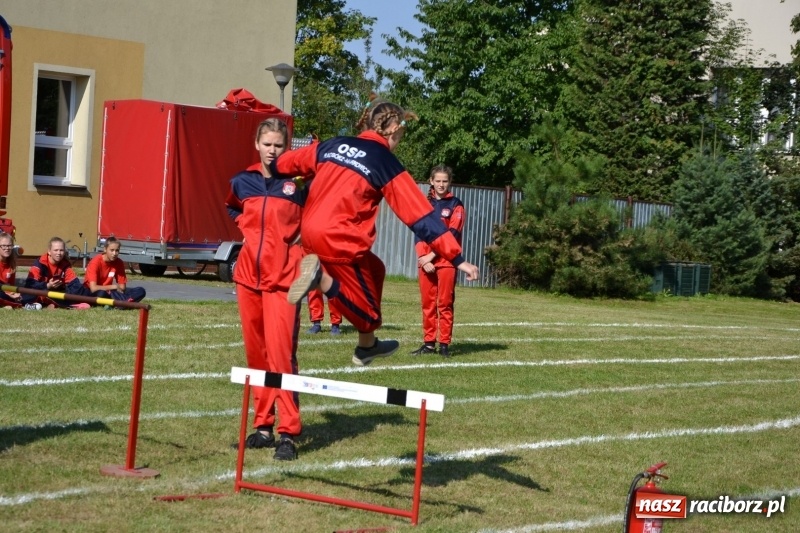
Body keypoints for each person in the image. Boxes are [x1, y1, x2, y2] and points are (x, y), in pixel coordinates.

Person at [270, 92, 480, 366]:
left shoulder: (333, 145)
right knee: (370, 317)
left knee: (376, 269)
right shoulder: (384, 161)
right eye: (401, 135)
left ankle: (365, 348)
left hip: (310, 233)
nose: (399, 142)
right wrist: (457, 258)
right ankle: (320, 282)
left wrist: (271, 166)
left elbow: (286, 164)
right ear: (394, 129)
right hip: (339, 238)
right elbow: (419, 215)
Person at [224, 118, 306, 461]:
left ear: (287, 148)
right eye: (268, 144)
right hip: (247, 279)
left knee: (281, 355)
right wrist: (247, 227)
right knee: (257, 357)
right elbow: (232, 207)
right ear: (257, 144)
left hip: (284, 280)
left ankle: (288, 432)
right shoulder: (243, 181)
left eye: (279, 145)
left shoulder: (298, 184)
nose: (273, 151)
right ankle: (263, 426)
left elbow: (313, 221)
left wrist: (298, 247)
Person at [411, 165, 465, 358]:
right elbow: (418, 233)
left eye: (445, 181)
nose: (441, 184)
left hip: (447, 261)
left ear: (449, 183)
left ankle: (444, 345)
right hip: (425, 261)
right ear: (431, 181)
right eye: (438, 181)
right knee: (427, 304)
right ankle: (428, 344)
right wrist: (422, 257)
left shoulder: (456, 204)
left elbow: (452, 235)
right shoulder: (423, 204)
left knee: (445, 303)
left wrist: (431, 256)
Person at [24, 237, 91, 309]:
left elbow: (75, 284)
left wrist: (65, 287)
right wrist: (48, 285)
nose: (59, 253)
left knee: (82, 291)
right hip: (41, 293)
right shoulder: (40, 263)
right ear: (49, 251)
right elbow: (30, 284)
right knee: (29, 294)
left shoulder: (65, 265)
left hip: (57, 293)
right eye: (56, 250)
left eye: (61, 250)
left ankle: (59, 303)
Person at [83, 237, 146, 305]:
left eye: (117, 250)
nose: (114, 253)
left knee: (140, 290)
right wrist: (114, 287)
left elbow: (122, 287)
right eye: (112, 250)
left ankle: (121, 303)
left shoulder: (119, 262)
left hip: (111, 292)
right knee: (102, 293)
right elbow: (93, 288)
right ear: (105, 249)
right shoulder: (95, 262)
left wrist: (115, 289)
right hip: (96, 292)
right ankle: (124, 302)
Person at [0, 232, 42, 310]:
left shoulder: (11, 263)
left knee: (33, 293)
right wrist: (9, 294)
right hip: (2, 292)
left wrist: (14, 293)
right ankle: (22, 305)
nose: (7, 248)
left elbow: (11, 285)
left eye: (9, 245)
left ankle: (15, 304)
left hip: (7, 293)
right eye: (3, 246)